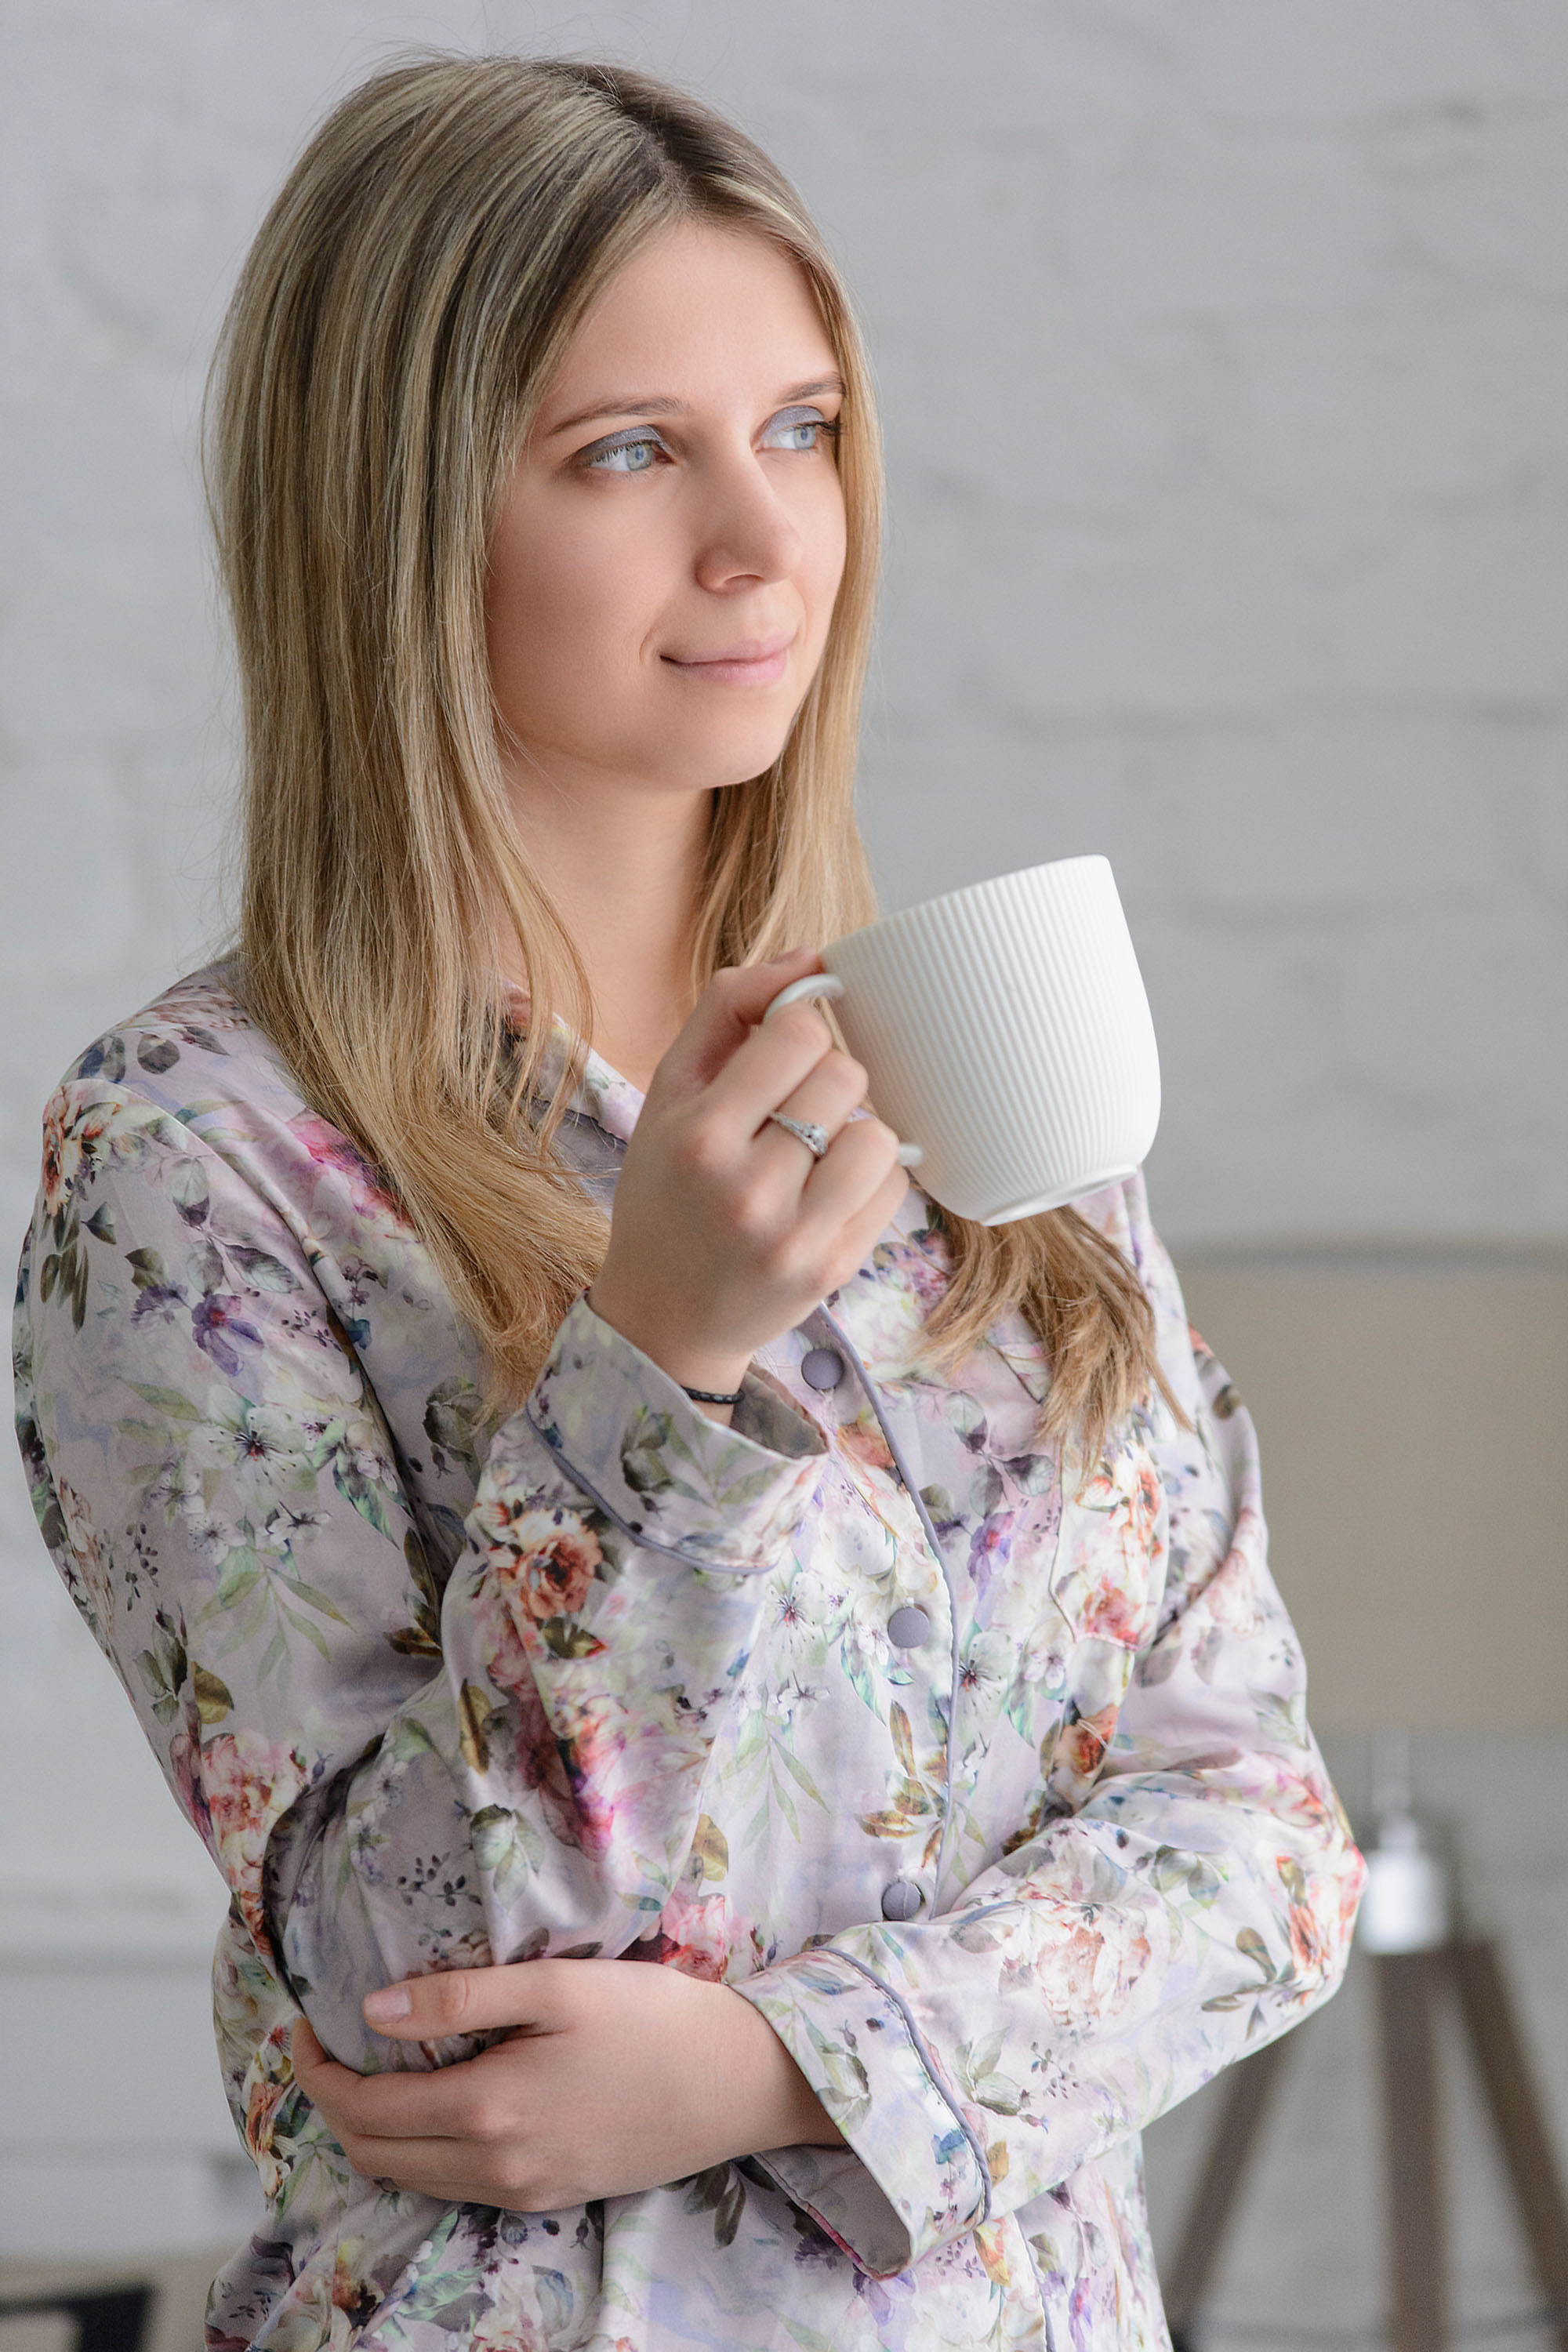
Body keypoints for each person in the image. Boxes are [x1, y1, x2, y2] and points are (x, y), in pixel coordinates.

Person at [13, 54, 1363, 2352]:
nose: (764, 540)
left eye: (802, 428)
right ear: (400, 517)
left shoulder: (972, 1065)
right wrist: (657, 1373)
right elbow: (403, 1977)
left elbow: (1262, 1848)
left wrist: (776, 2070)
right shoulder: (194, 1160)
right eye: (630, 452)